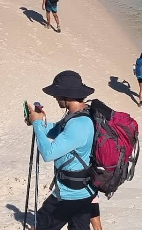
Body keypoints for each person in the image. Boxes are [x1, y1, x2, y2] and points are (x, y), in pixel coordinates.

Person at [27, 70, 97, 230]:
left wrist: (37, 125)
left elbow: (48, 153)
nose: (55, 97)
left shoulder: (79, 124)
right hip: (83, 191)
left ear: (67, 95)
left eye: (57, 94)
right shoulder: (79, 115)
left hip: (69, 194)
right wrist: (38, 122)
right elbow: (58, 131)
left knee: (39, 226)